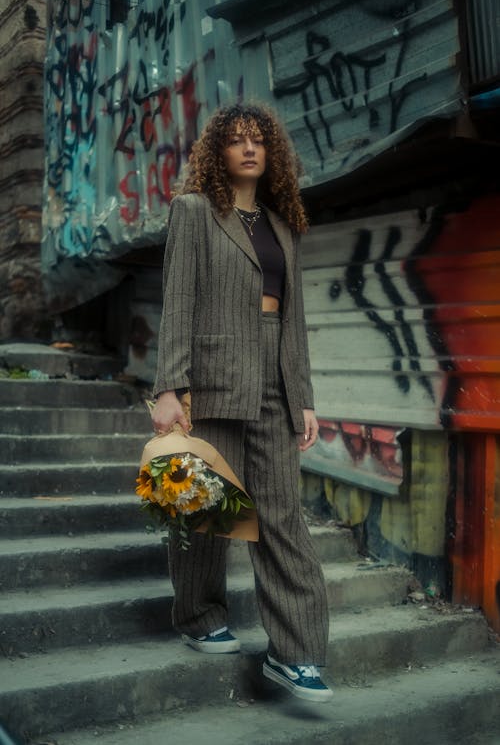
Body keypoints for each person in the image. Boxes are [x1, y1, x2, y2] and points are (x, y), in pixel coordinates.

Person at [151, 103, 332, 703]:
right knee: (207, 513)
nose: (249, 148)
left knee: (282, 518)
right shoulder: (196, 211)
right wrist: (169, 389)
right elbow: (178, 300)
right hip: (212, 380)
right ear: (218, 152)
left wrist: (302, 396)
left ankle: (297, 653)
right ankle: (200, 616)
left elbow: (296, 318)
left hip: (275, 383)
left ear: (271, 151)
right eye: (236, 140)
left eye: (259, 140)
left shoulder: (283, 224)